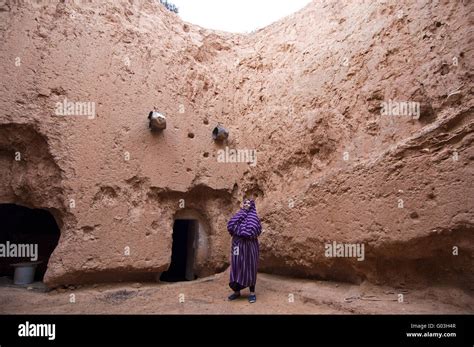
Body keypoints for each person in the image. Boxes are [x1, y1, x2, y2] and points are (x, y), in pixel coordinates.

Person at [226, 198, 262, 303]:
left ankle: (252, 293)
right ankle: (236, 292)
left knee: (250, 267)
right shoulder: (239, 215)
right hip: (237, 246)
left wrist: (241, 231)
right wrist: (243, 213)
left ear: (252, 205)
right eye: (245, 203)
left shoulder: (254, 217)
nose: (246, 205)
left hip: (250, 247)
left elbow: (252, 230)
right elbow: (231, 225)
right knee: (236, 266)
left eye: (248, 203)